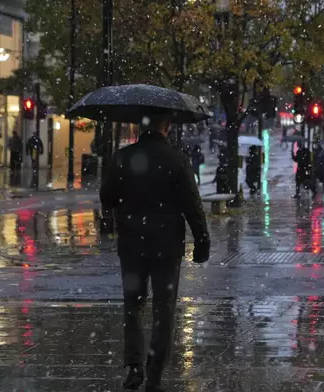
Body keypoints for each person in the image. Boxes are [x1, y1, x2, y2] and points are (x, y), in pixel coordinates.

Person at [100, 112, 210, 392]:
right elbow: (192, 204)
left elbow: (107, 196)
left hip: (132, 243)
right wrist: (202, 239)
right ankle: (155, 374)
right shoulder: (176, 160)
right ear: (167, 127)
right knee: (164, 309)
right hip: (167, 245)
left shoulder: (123, 157)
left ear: (140, 126)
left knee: (133, 305)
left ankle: (134, 365)